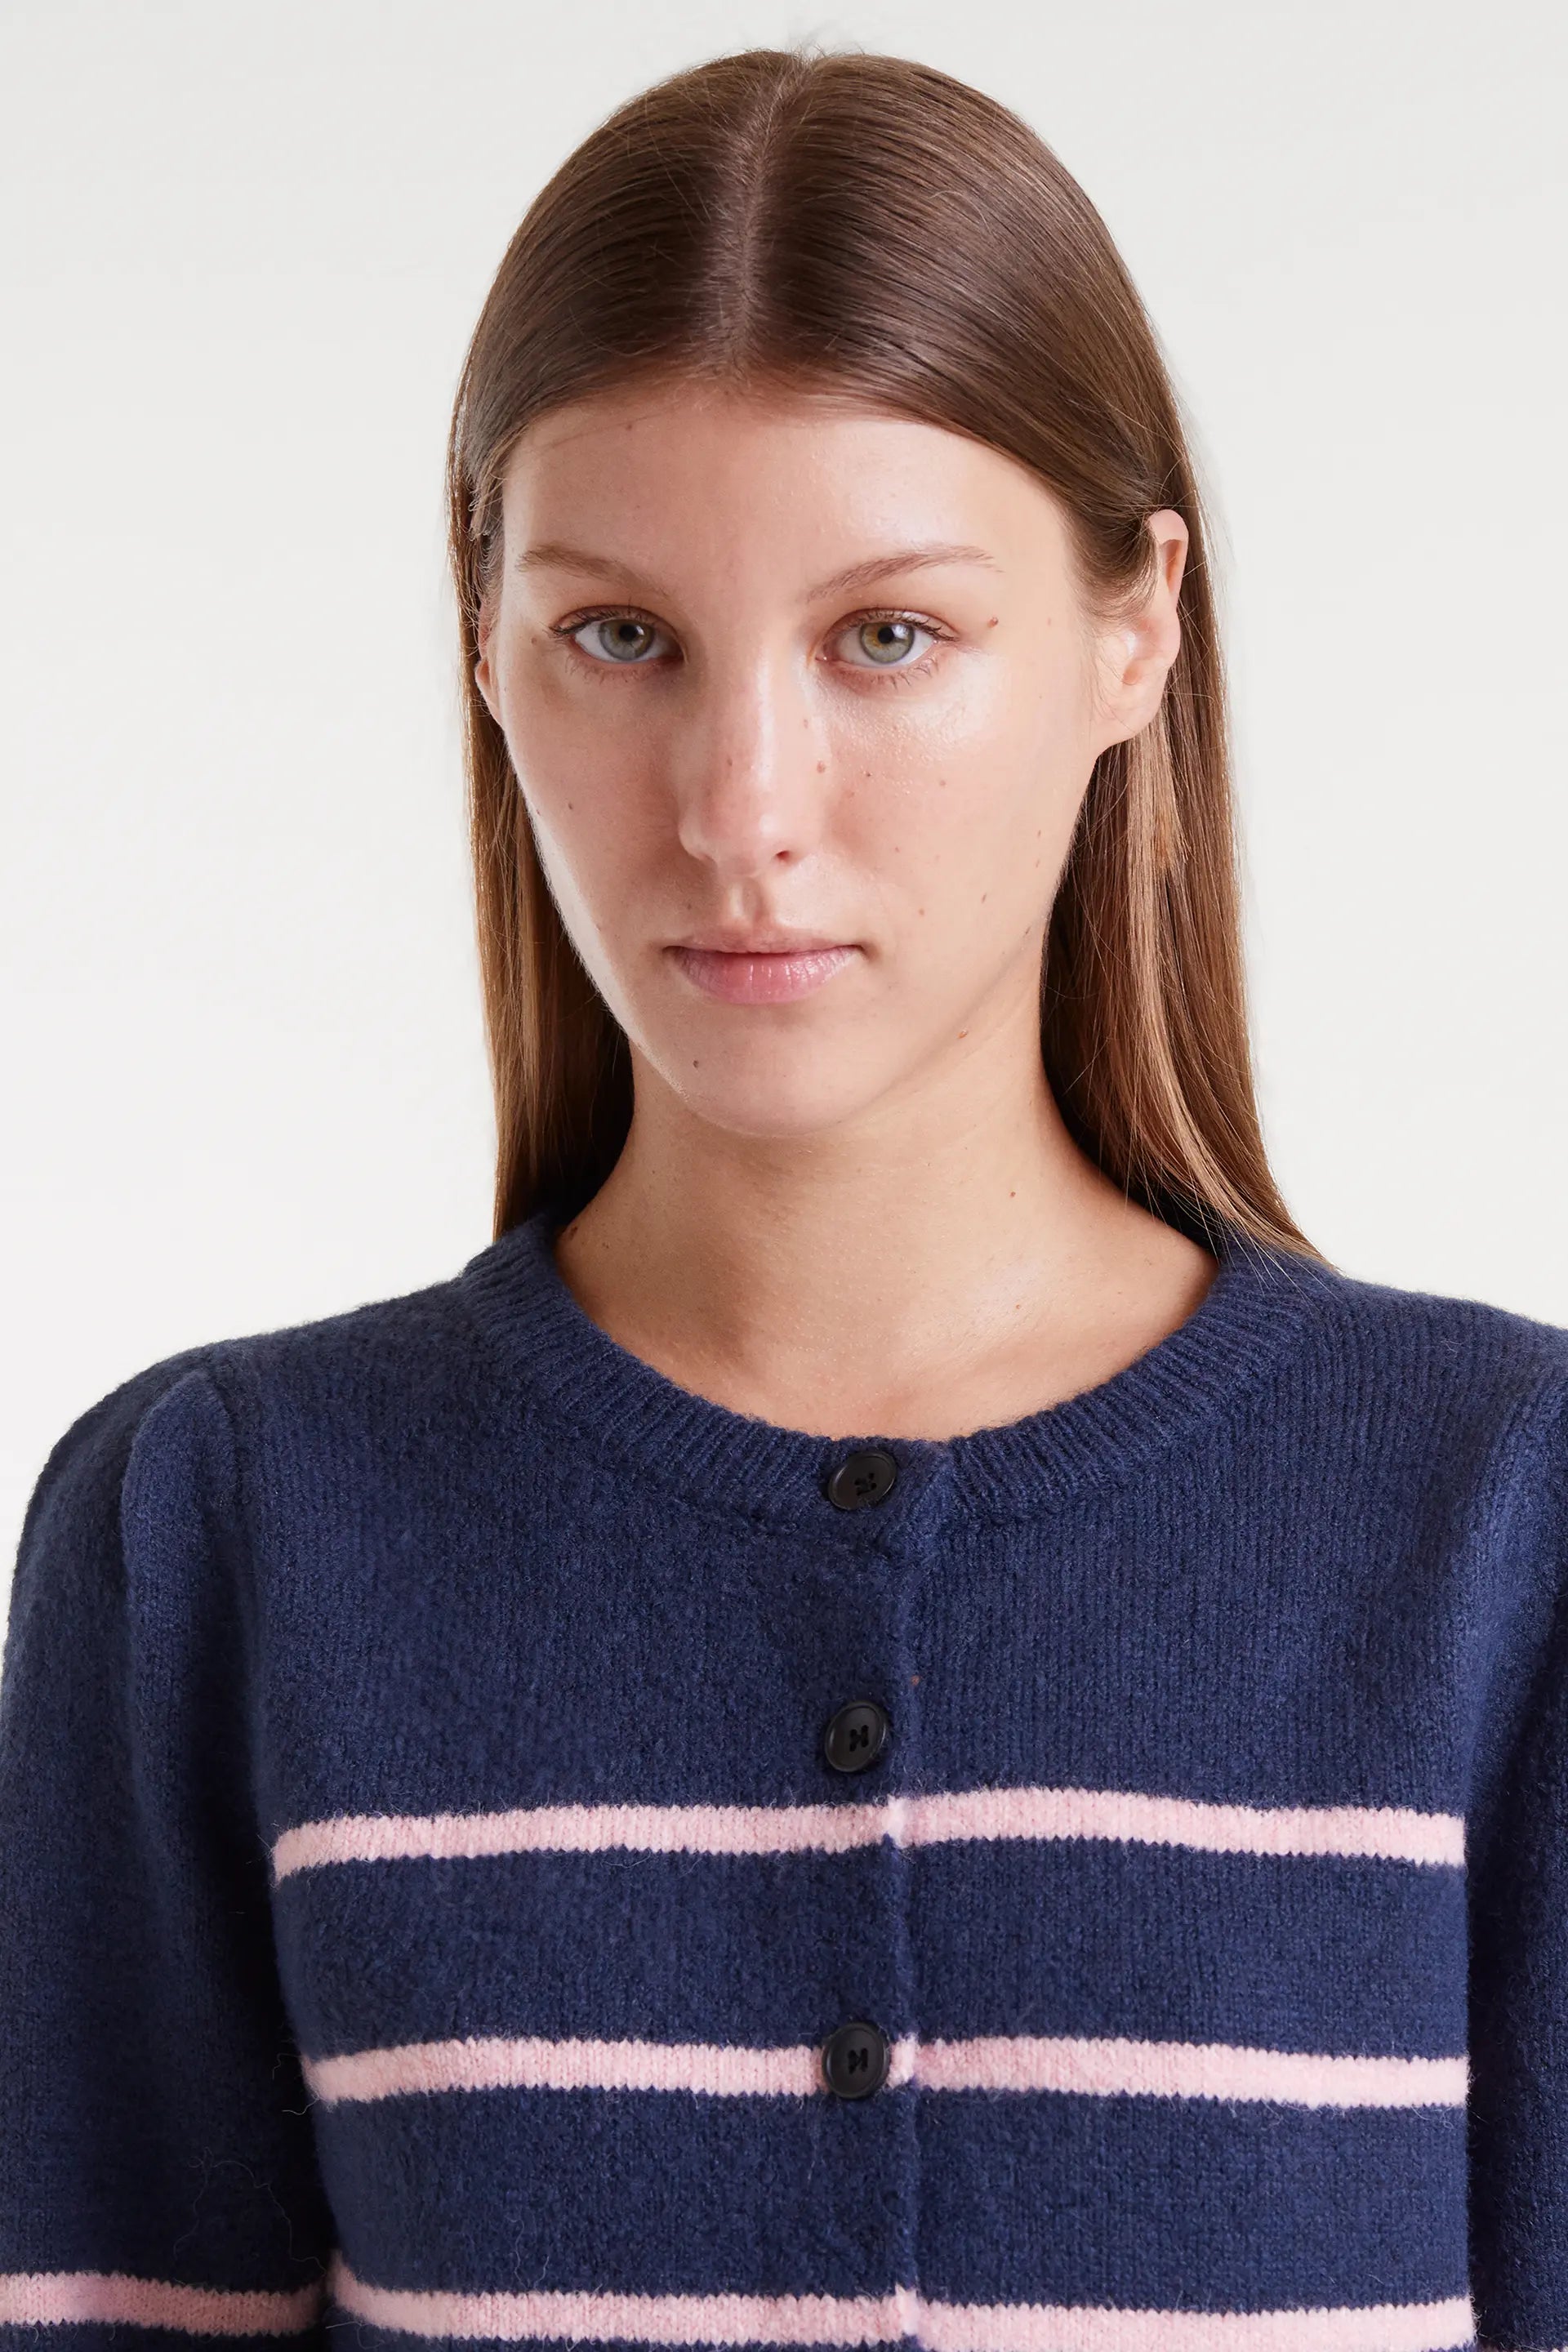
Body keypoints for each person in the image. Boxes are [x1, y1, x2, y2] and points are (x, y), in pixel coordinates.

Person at [1, 42, 1564, 2352]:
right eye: (622, 636)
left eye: (887, 636)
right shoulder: (214, 1533)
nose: (741, 808)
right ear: (485, 635)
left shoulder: (1504, 1522)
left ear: (1134, 628)